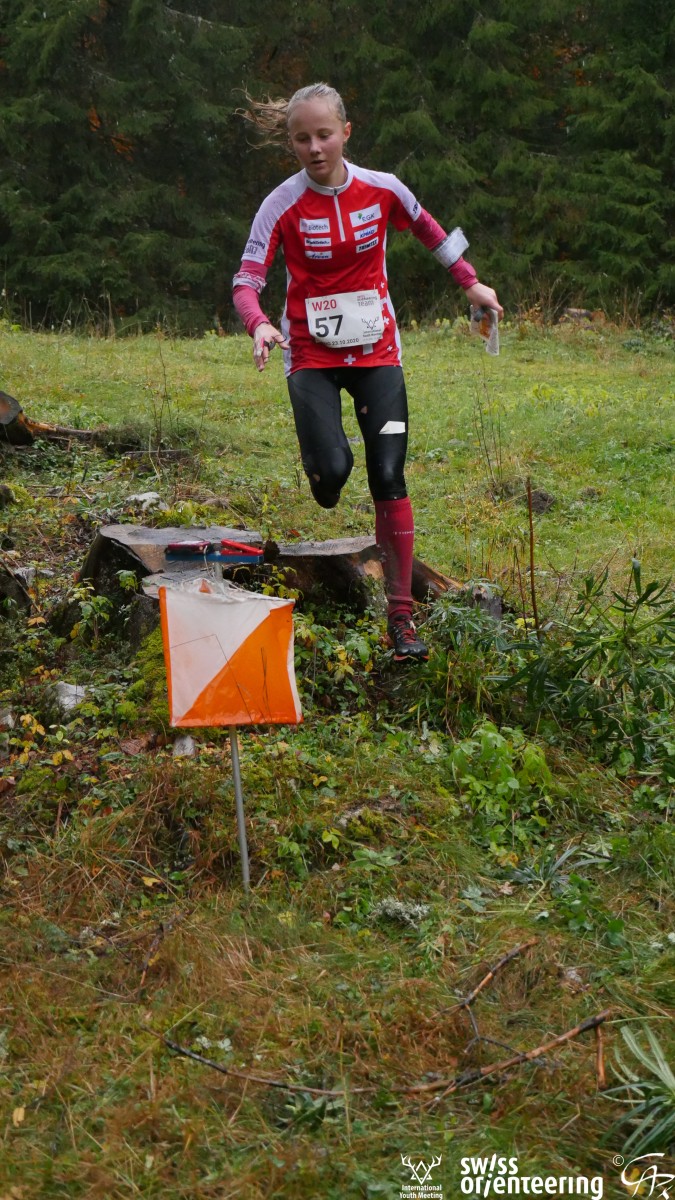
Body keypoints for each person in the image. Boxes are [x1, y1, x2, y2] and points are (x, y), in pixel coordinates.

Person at [233, 83, 502, 662]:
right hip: (311, 356)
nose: (314, 148)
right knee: (332, 476)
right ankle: (324, 472)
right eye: (301, 139)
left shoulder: (383, 188)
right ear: (291, 143)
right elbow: (246, 279)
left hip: (378, 352)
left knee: (388, 474)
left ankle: (401, 621)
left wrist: (471, 283)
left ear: (346, 133)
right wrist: (259, 324)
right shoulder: (280, 204)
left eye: (324, 135)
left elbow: (431, 230)